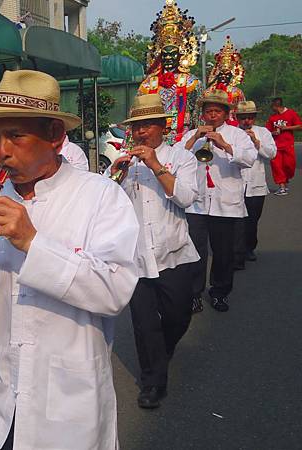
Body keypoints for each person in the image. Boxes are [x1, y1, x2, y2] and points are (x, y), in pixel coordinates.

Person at [0, 70, 140, 449]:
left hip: (65, 409)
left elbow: (115, 291)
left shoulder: (101, 196)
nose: (1, 151)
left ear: (56, 138)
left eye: (16, 136)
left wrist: (31, 241)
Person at [110, 94, 199, 409]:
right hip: (136, 258)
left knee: (178, 316)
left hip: (172, 253)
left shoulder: (181, 158)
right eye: (136, 126)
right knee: (144, 325)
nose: (140, 132)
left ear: (163, 126)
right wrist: (114, 176)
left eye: (148, 125)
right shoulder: (126, 163)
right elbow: (108, 207)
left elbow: (187, 198)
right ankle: (152, 383)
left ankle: (162, 350)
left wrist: (156, 165)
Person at [174, 89, 257, 313]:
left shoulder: (237, 135)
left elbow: (250, 159)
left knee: (223, 252)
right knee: (195, 251)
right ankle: (194, 294)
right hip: (197, 203)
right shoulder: (192, 134)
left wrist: (224, 145)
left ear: (225, 114)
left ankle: (220, 292)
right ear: (202, 114)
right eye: (208, 111)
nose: (212, 115)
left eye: (216, 111)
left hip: (225, 204)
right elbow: (174, 158)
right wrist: (194, 138)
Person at [137, 0, 202, 144]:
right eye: (164, 54)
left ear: (180, 54)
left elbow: (198, 116)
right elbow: (138, 115)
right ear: (159, 55)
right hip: (153, 139)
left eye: (172, 54)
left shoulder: (192, 82)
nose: (168, 57)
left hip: (184, 138)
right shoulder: (147, 85)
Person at [233, 101, 277, 268]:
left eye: (250, 118)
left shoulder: (263, 132)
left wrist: (257, 142)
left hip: (256, 185)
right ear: (238, 118)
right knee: (238, 221)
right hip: (237, 184)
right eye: (243, 118)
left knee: (252, 220)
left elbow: (271, 154)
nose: (247, 121)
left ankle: (249, 247)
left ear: (254, 118)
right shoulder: (233, 133)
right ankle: (237, 254)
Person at [205, 36, 246, 126]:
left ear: (232, 75)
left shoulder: (237, 92)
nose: (223, 77)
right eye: (221, 74)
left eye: (227, 75)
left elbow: (242, 112)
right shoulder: (208, 92)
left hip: (232, 125)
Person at [265, 97, 302, 195]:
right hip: (276, 146)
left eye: (272, 106)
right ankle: (282, 186)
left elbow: (299, 126)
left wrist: (286, 128)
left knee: (289, 165)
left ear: (276, 106)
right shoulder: (272, 118)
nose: (272, 109)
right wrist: (273, 133)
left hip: (288, 144)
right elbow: (267, 131)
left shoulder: (291, 113)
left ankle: (286, 179)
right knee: (276, 166)